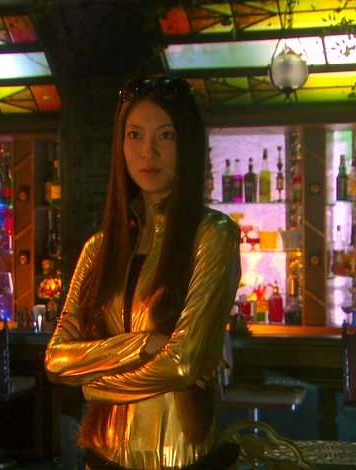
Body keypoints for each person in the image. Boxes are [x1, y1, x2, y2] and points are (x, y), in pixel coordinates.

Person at [44, 75, 242, 470]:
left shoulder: (212, 234)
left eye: (165, 136)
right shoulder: (98, 249)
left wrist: (89, 384)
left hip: (178, 455)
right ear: (120, 145)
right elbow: (54, 361)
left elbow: (182, 364)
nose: (147, 151)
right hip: (101, 455)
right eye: (134, 135)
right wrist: (149, 343)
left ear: (187, 144)